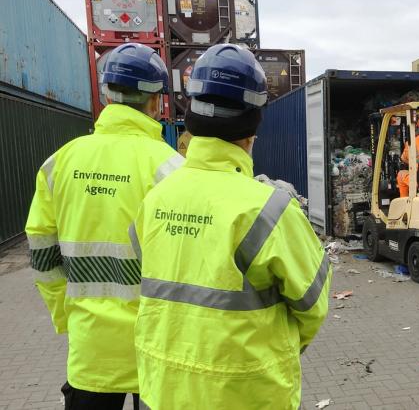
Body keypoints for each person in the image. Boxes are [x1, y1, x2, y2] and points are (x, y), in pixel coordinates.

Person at [131, 44, 331, 410]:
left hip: (162, 392)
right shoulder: (269, 209)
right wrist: (276, 347)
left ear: (190, 113)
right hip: (248, 394)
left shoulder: (155, 198)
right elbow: (313, 305)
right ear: (252, 125)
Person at [25, 43, 184, 410]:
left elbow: (41, 252)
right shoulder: (171, 168)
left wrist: (67, 315)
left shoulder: (59, 163)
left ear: (106, 95)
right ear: (156, 101)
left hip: (91, 352)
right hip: (155, 348)